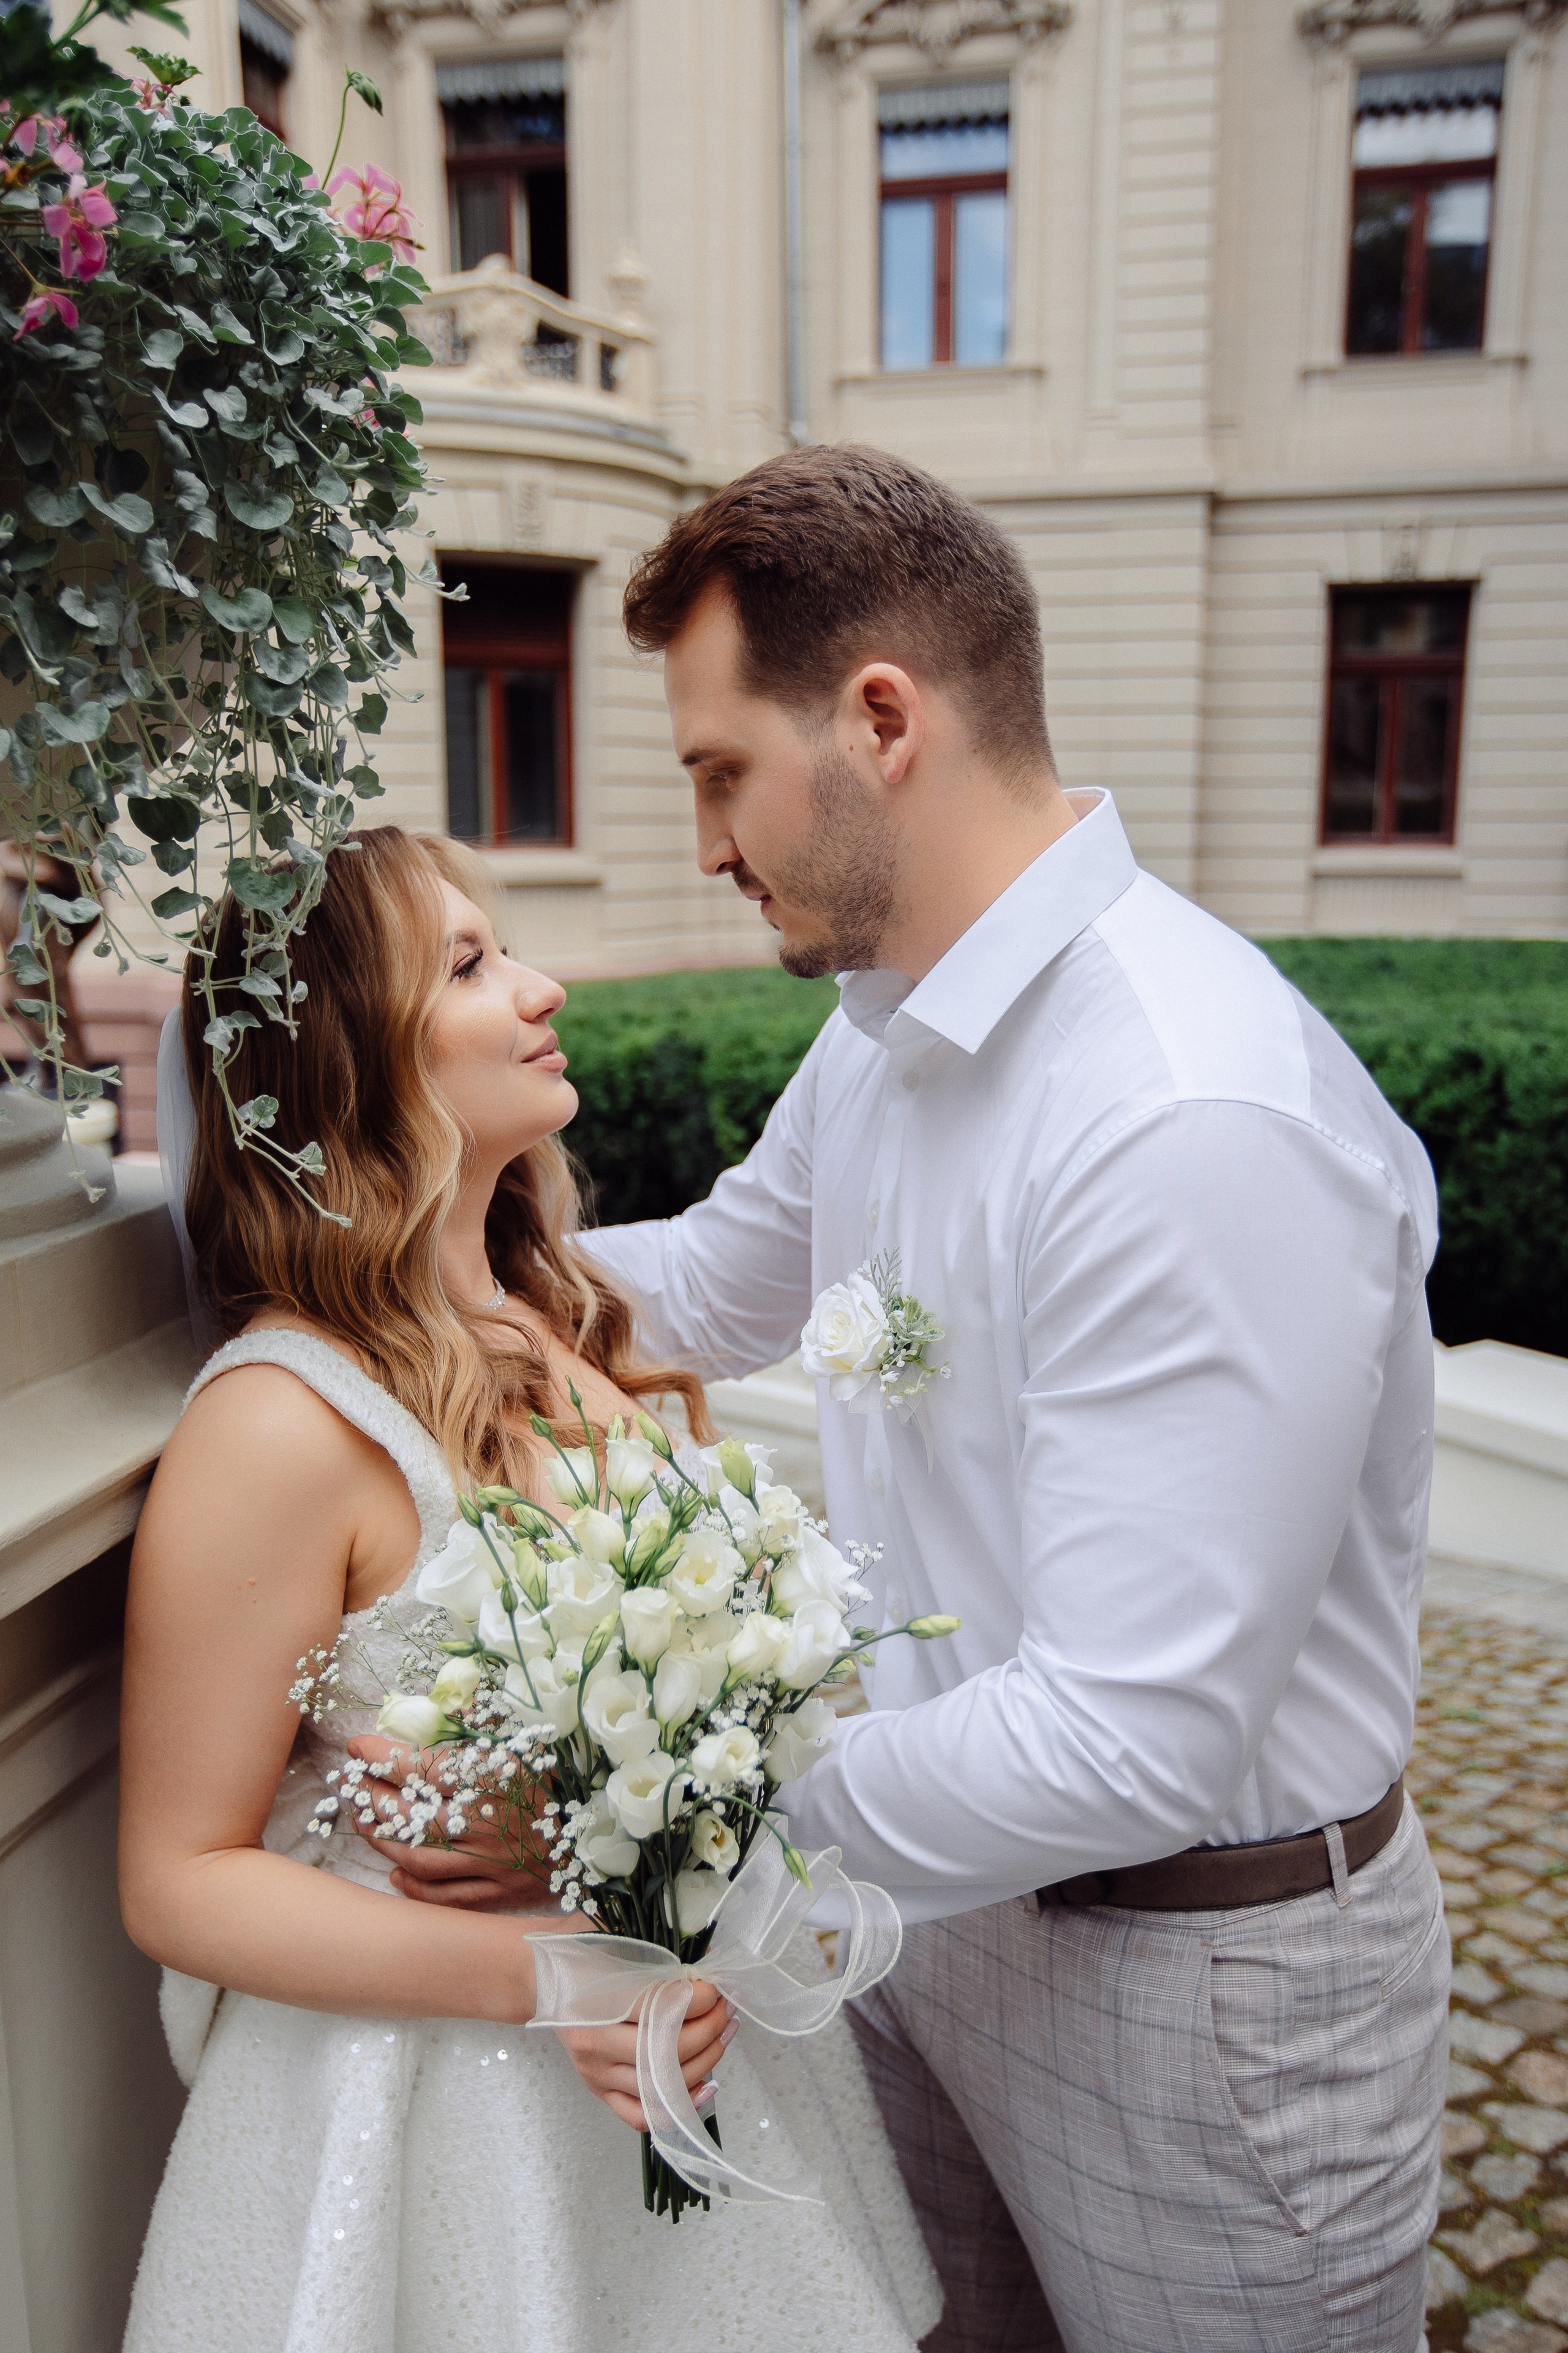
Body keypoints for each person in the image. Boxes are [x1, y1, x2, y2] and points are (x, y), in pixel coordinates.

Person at [391, 446, 1450, 2353]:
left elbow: (1135, 1739)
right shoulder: (887, 1022)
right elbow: (717, 1279)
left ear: (881, 718)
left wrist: (651, 1822)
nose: (708, 838)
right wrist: (370, 1273)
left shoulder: (1188, 1115)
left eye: (721, 770)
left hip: (1198, 1988)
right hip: (918, 1923)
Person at [122, 823, 939, 2353]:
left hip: (696, 2054)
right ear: (347, 1058)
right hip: (442, 2125)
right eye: (475, 963)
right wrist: (561, 1973)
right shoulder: (280, 1424)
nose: (543, 984)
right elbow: (176, 1874)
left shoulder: (551, 1316)